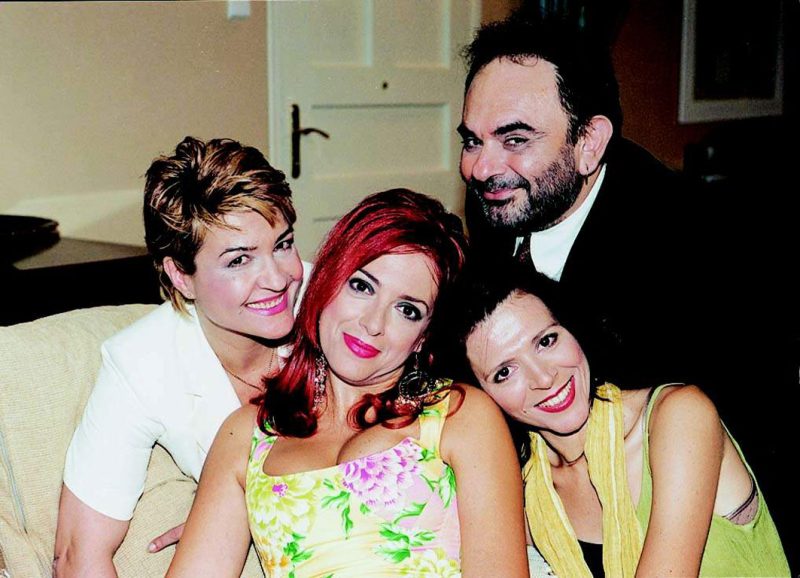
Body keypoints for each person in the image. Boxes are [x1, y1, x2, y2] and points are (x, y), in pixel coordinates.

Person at [456, 10, 797, 563]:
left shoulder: (692, 251)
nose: (481, 167)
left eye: (514, 139)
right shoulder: (507, 201)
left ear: (590, 143)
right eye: (472, 141)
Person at [166, 189, 529, 578]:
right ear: (327, 279)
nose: (372, 324)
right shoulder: (246, 435)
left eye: (407, 310)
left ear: (423, 336)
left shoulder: (462, 416)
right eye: (362, 286)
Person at [54, 136, 311, 576]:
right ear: (181, 275)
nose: (279, 278)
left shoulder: (338, 308)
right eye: (239, 260)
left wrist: (240, 512)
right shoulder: (142, 362)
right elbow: (78, 554)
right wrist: (223, 517)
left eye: (283, 244)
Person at [445, 259, 789, 577]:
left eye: (546, 341)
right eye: (505, 372)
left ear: (573, 330)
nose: (544, 378)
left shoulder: (678, 416)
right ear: (482, 398)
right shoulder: (527, 494)